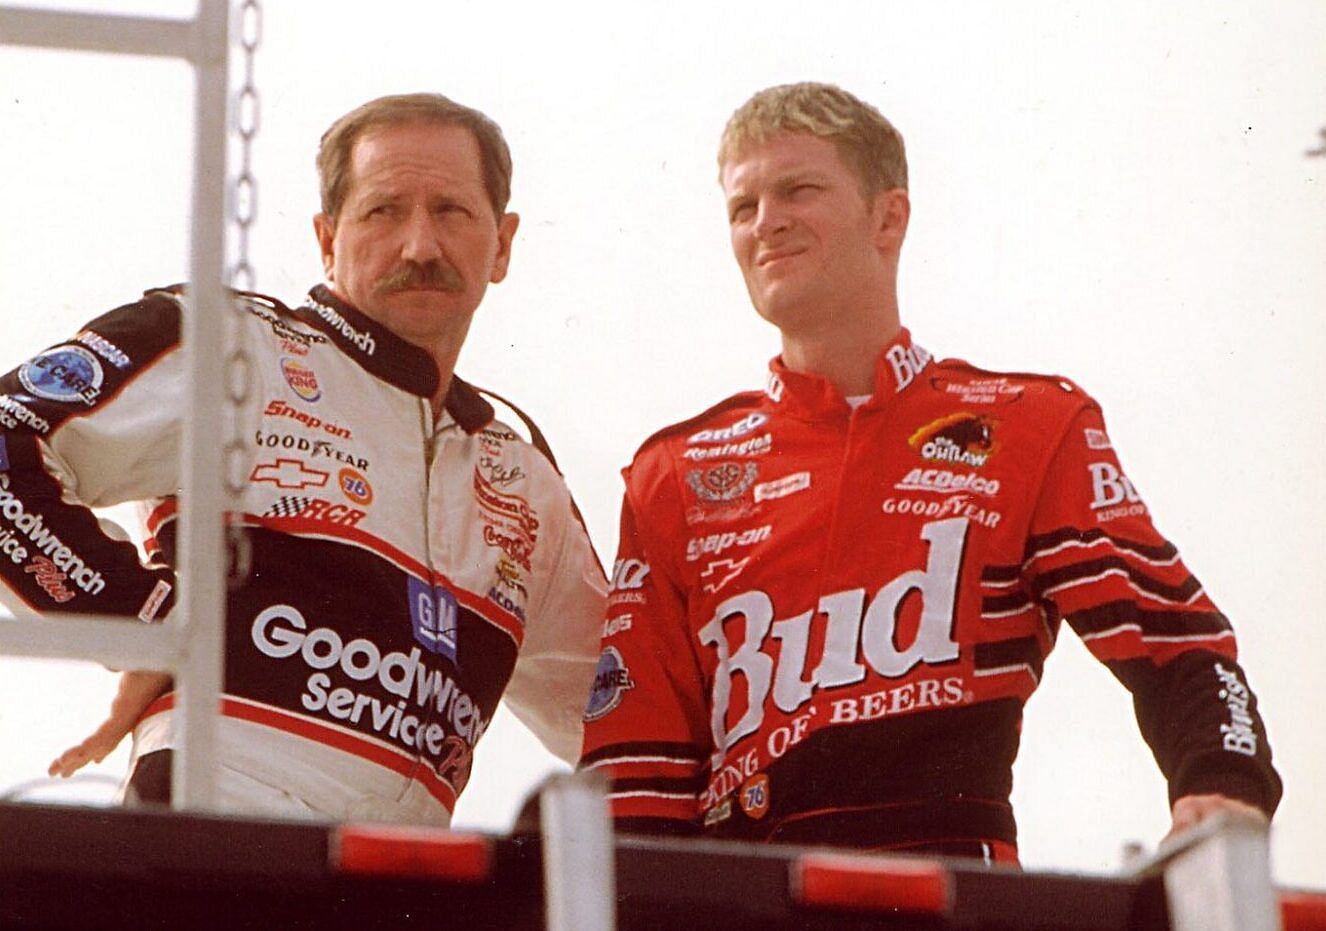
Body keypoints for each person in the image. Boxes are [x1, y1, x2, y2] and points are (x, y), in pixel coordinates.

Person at [578, 82, 1281, 863]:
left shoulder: (1030, 425)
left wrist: (1222, 783)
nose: (766, 222)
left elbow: (1175, 640)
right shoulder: (674, 472)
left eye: (797, 190)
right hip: (749, 901)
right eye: (742, 208)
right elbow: (635, 771)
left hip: (954, 893)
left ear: (889, 217)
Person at [1, 93, 605, 824]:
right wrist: (141, 616)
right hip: (215, 843)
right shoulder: (232, 347)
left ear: (503, 244)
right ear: (326, 238)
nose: (419, 246)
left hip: (396, 881)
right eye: (383, 211)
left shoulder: (523, 477)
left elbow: (622, 716)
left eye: (451, 211)